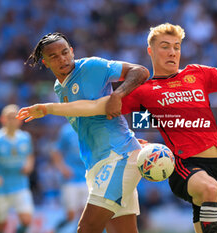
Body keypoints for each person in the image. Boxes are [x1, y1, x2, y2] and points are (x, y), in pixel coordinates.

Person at [17, 24, 217, 233]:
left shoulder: (199, 74)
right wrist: (50, 108)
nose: (172, 52)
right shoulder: (145, 90)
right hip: (183, 165)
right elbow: (99, 107)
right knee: (208, 189)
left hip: (216, 163)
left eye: (176, 46)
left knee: (212, 217)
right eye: (165, 47)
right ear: (151, 51)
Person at [24, 32, 150, 233]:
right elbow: (86, 114)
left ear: (72, 51)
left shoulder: (91, 67)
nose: (62, 59)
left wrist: (117, 94)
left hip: (118, 157)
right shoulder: (59, 88)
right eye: (54, 56)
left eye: (65, 52)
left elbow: (141, 71)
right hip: (96, 164)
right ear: (45, 63)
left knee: (86, 228)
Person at [0, 104, 35, 233]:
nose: (13, 120)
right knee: (0, 226)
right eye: (9, 117)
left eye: (15, 117)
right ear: (2, 119)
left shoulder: (25, 138)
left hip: (20, 185)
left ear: (20, 120)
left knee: (26, 220)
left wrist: (28, 166)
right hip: (1, 188)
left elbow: (30, 156)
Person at [51, 123, 88, 232]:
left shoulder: (90, 127)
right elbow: (55, 151)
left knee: (86, 214)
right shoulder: (66, 130)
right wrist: (63, 168)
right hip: (71, 179)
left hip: (87, 178)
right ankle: (54, 229)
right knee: (71, 215)